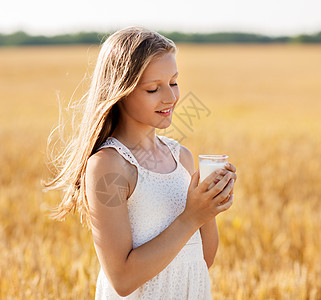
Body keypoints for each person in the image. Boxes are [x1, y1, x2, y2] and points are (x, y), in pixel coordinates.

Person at [43, 26, 237, 299]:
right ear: (120, 91)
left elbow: (204, 259)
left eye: (173, 82)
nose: (170, 97)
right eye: (153, 89)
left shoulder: (181, 156)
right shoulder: (108, 166)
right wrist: (191, 216)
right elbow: (121, 279)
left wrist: (208, 208)